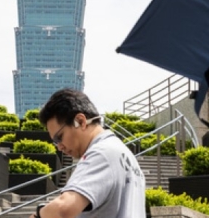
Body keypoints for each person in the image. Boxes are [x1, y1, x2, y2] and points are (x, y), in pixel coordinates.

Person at [32, 88, 144, 218]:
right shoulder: (127, 156)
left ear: (80, 121)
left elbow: (63, 209)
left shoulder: (101, 153)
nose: (59, 147)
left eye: (59, 137)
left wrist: (38, 215)